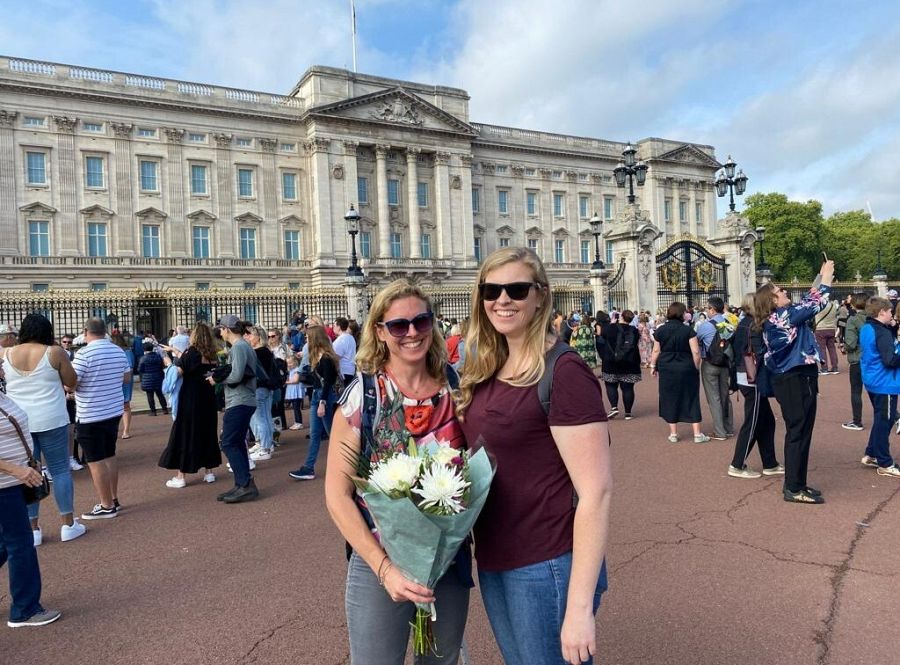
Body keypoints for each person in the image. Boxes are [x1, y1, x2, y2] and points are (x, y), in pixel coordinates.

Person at [456, 247, 611, 665]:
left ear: (540, 295)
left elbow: (595, 493)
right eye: (492, 290)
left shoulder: (563, 371)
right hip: (495, 553)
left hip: (546, 559)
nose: (502, 300)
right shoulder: (487, 363)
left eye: (517, 289)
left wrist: (579, 609)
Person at [324, 278, 471, 664]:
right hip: (380, 561)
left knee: (442, 660)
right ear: (379, 332)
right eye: (398, 326)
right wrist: (384, 568)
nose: (411, 333)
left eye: (421, 322)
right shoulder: (363, 397)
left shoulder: (456, 390)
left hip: (448, 558)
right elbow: (338, 494)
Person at [754, 260, 834, 504]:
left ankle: (798, 483)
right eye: (780, 291)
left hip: (798, 376)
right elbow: (816, 303)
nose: (785, 292)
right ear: (772, 301)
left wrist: (820, 276)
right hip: (793, 378)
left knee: (802, 431)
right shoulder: (780, 317)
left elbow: (810, 301)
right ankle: (792, 487)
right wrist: (827, 277)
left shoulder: (782, 315)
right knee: (798, 431)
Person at [1, 314, 83, 545]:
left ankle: (33, 528)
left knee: (29, 473)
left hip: (21, 422)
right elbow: (72, 382)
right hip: (52, 417)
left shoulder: (5, 353)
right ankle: (68, 524)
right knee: (60, 471)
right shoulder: (54, 352)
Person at [0, 391, 62, 627]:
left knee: (7, 543)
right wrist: (16, 470)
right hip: (5, 484)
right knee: (19, 544)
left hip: (11, 482)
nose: (3, 367)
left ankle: (24, 607)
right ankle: (25, 610)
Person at [72, 317, 131, 520]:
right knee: (109, 455)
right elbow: (126, 377)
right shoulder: (117, 350)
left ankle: (106, 505)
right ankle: (113, 499)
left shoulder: (83, 354)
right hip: (112, 410)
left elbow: (72, 383)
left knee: (95, 461)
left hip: (90, 413)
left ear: (86, 331)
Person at [158, 323, 221, 488]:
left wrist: (168, 363)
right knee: (207, 433)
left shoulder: (192, 352)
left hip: (191, 399)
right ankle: (209, 472)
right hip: (207, 398)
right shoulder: (213, 353)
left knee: (185, 434)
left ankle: (181, 476)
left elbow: (179, 371)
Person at [727, 294, 782, 479]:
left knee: (767, 421)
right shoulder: (754, 325)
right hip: (753, 378)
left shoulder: (744, 323)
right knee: (753, 422)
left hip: (745, 376)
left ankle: (770, 463)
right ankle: (737, 464)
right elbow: (760, 352)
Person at [208, 314, 259, 504]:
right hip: (243, 400)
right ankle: (242, 483)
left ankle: (245, 484)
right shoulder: (241, 346)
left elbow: (236, 376)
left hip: (240, 400)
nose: (220, 332)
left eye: (221, 329)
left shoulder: (238, 347)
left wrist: (217, 379)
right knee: (235, 442)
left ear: (227, 330)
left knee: (228, 442)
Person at [650, 302, 709, 443]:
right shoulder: (688, 330)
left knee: (669, 396)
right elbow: (696, 351)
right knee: (692, 396)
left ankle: (673, 434)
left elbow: (656, 350)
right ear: (682, 314)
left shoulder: (660, 330)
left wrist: (653, 365)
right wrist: (695, 366)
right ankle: (697, 434)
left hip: (666, 367)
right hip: (686, 366)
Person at [289, 326, 339, 481]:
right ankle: (308, 468)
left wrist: (322, 403)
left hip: (325, 397)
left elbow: (328, 383)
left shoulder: (326, 358)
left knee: (334, 433)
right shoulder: (316, 357)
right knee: (315, 434)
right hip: (318, 395)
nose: (306, 340)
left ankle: (348, 463)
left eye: (308, 337)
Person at [858, 297, 900, 477]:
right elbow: (890, 360)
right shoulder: (881, 332)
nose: (892, 314)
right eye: (890, 311)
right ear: (881, 312)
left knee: (882, 420)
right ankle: (885, 462)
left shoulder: (868, 327)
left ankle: (872, 453)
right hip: (885, 382)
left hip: (872, 379)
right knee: (885, 422)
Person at [696, 296, 734, 440]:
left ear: (712, 309)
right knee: (725, 397)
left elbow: (697, 341)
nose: (706, 310)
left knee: (714, 398)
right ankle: (729, 428)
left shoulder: (705, 326)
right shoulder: (729, 323)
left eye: (707, 308)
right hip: (725, 364)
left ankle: (720, 432)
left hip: (710, 363)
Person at [601, 309, 641, 420]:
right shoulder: (634, 330)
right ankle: (628, 413)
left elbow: (602, 335)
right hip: (629, 362)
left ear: (621, 317)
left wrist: (612, 324)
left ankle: (614, 407)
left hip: (611, 361)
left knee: (611, 385)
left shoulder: (611, 328)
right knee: (628, 388)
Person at [245, 326, 275, 462]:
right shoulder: (266, 351)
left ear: (258, 337)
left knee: (261, 418)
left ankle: (265, 447)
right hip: (267, 387)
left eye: (250, 335)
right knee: (266, 417)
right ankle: (267, 444)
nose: (248, 338)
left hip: (259, 387)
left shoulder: (257, 352)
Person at [841, 292, 870, 431]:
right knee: (876, 391)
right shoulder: (873, 318)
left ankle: (857, 421)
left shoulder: (853, 319)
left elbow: (851, 343)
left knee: (856, 392)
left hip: (858, 359)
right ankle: (896, 417)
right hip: (872, 359)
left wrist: (845, 347)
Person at [110, 332, 134, 439]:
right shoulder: (111, 352)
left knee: (125, 405)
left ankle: (126, 430)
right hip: (114, 380)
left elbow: (130, 368)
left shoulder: (127, 352)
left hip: (124, 381)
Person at [138, 342, 168, 416]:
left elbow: (140, 369)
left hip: (147, 379)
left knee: (150, 396)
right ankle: (165, 409)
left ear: (144, 350)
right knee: (160, 394)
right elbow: (162, 366)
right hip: (158, 377)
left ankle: (153, 411)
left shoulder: (143, 358)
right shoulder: (158, 356)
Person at [813, 295, 840, 375]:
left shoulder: (819, 306)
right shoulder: (833, 306)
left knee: (822, 349)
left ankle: (824, 368)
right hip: (831, 329)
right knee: (832, 349)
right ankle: (835, 367)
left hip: (820, 329)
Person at [332, 316, 357, 387]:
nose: (333, 328)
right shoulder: (351, 337)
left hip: (343, 371)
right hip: (350, 369)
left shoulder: (341, 339)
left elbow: (336, 356)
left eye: (334, 326)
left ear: (339, 327)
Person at [283, 355, 304, 430]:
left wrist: (286, 382)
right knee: (295, 407)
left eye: (290, 363)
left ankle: (299, 422)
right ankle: (297, 421)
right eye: (288, 363)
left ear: (295, 362)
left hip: (296, 391)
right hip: (292, 391)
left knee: (296, 408)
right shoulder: (291, 371)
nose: (289, 365)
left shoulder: (297, 370)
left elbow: (295, 380)